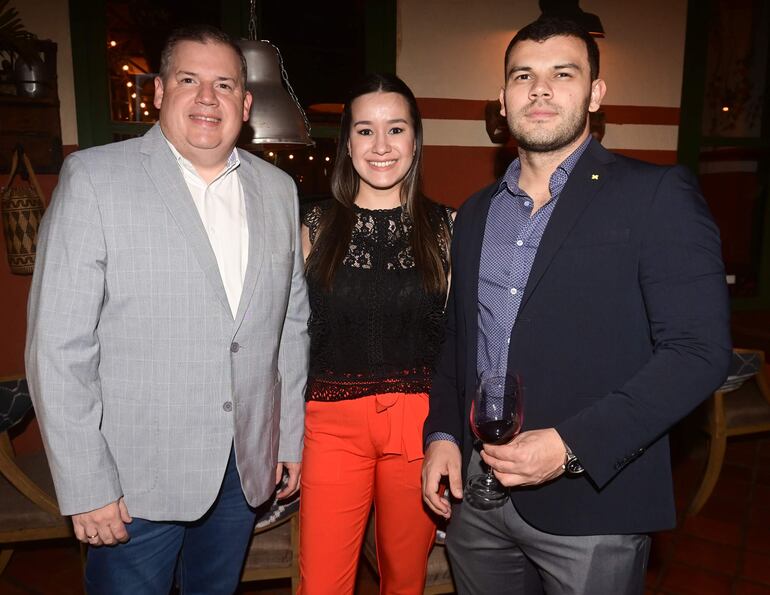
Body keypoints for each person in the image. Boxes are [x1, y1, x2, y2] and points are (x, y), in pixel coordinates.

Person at [421, 16, 732, 595]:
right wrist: (441, 434)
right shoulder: (475, 213)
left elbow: (698, 353)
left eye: (562, 74)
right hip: (479, 496)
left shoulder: (656, 196)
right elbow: (459, 341)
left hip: (594, 507)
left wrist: (569, 448)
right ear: (503, 97)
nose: (539, 89)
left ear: (594, 93)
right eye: (523, 76)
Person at [25, 24, 309, 594]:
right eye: (189, 80)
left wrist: (286, 440)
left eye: (225, 85)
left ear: (245, 104)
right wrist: (87, 484)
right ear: (157, 92)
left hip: (241, 471)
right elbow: (58, 346)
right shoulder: (96, 179)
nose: (208, 98)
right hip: (134, 483)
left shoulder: (278, 189)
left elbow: (290, 325)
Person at [298, 73, 452, 594]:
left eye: (396, 129)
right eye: (365, 131)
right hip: (329, 427)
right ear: (346, 143)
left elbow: (463, 342)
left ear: (415, 139)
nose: (381, 146)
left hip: (418, 427)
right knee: (321, 583)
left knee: (405, 580)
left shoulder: (448, 228)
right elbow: (285, 336)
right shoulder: (312, 227)